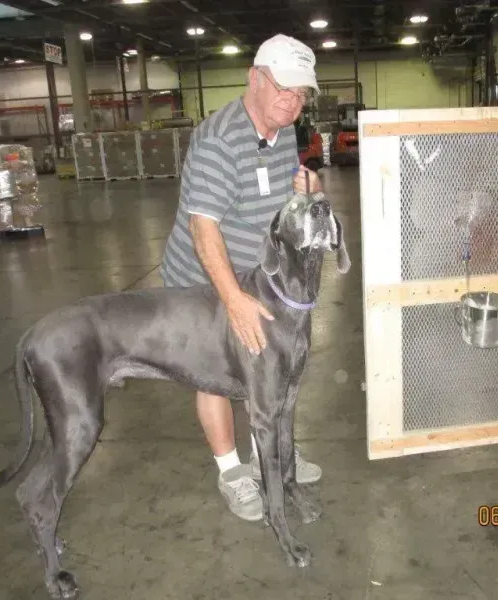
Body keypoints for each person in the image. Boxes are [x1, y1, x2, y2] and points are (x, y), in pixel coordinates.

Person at [159, 34, 324, 522]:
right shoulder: (217, 140)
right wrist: (231, 299)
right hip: (201, 278)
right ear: (254, 78)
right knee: (214, 377)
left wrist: (308, 187)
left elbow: (280, 191)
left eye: (300, 95)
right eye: (283, 90)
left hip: (257, 274)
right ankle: (232, 471)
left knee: (263, 368)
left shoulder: (282, 127)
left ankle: (268, 456)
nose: (292, 103)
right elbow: (202, 227)